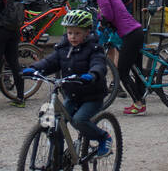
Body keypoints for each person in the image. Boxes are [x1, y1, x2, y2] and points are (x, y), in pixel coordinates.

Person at [21, 8, 112, 156]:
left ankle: (103, 137)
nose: (73, 37)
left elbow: (99, 64)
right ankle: (57, 156)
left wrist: (92, 74)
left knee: (78, 120)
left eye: (77, 33)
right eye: (70, 33)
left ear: (87, 33)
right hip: (72, 95)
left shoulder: (94, 48)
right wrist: (33, 69)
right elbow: (49, 62)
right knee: (53, 121)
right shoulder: (63, 49)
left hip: (92, 96)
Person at [91, 0, 147, 115]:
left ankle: (139, 103)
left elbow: (108, 16)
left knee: (121, 71)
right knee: (137, 69)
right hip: (136, 32)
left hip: (130, 35)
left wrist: (101, 24)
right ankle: (141, 98)